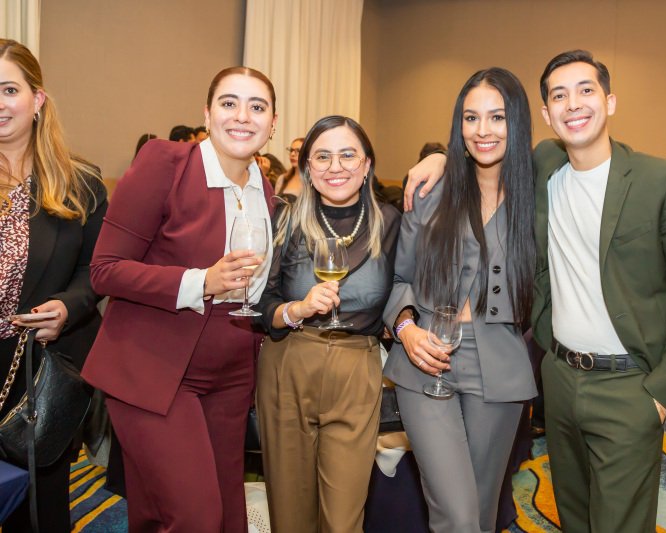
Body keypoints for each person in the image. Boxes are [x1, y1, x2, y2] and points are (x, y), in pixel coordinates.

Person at [405, 50, 666, 533]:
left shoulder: (661, 181)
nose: (573, 104)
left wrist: (664, 393)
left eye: (586, 90)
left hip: (630, 386)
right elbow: (482, 148)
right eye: (559, 96)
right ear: (547, 114)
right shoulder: (544, 168)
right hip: (559, 379)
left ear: (610, 101)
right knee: (572, 517)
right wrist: (440, 157)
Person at [81, 66, 277, 532]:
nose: (242, 116)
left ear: (273, 124)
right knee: (197, 517)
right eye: (229, 103)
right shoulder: (166, 163)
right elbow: (105, 269)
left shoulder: (263, 188)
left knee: (223, 517)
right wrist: (201, 281)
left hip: (231, 373)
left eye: (257, 107)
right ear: (206, 114)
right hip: (154, 367)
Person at [385, 67, 537, 532]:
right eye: (471, 118)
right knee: (457, 514)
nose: (482, 130)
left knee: (483, 513)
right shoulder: (431, 191)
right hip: (425, 359)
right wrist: (406, 329)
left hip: (500, 366)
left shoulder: (538, 195)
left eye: (497, 117)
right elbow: (399, 278)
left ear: (518, 122)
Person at [254, 115, 400, 532]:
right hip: (289, 362)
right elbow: (261, 304)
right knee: (290, 513)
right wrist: (296, 310)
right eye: (322, 157)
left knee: (343, 518)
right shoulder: (285, 218)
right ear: (307, 167)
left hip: (357, 370)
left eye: (348, 155)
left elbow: (406, 290)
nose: (335, 167)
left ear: (367, 164)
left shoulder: (391, 222)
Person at [0, 38, 107, 533]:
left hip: (38, 370)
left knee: (39, 513)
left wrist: (66, 307)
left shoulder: (79, 183)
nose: (0, 103)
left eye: (9, 90)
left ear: (37, 99)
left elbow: (96, 271)